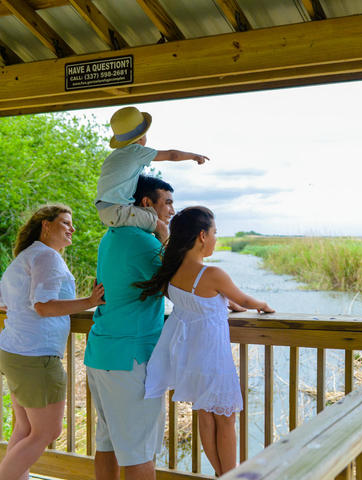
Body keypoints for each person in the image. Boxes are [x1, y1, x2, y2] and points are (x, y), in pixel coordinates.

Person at [136, 206, 274, 476]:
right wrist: (263, 304)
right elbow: (245, 300)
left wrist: (227, 303)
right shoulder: (212, 274)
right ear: (202, 235)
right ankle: (229, 475)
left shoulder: (172, 273)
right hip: (213, 357)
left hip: (188, 357)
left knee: (206, 416)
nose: (215, 239)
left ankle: (221, 474)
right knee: (226, 418)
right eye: (214, 233)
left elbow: (210, 301)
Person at [0, 205, 105, 480]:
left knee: (24, 430)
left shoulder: (26, 256)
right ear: (45, 226)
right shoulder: (47, 257)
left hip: (15, 352)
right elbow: (43, 306)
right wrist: (90, 302)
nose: (72, 228)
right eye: (65, 223)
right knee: (47, 432)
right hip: (36, 356)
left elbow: (5, 305)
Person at [83, 175, 174, 480]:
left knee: (108, 443)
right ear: (146, 204)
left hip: (103, 354)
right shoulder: (141, 240)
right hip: (129, 359)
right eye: (168, 203)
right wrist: (163, 235)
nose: (172, 211)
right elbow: (176, 285)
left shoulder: (111, 236)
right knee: (138, 451)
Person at [95, 105, 209, 242]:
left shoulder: (113, 157)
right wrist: (195, 156)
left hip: (105, 211)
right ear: (142, 137)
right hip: (118, 210)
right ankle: (167, 261)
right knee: (161, 227)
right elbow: (172, 155)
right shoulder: (136, 151)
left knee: (148, 216)